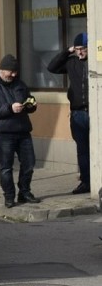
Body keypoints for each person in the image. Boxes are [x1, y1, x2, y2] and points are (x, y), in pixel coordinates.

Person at [0, 54, 40, 208]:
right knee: (6, 167)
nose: (13, 75)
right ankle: (9, 196)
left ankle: (24, 192)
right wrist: (10, 108)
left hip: (23, 130)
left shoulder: (19, 83)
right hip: (3, 133)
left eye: (15, 72)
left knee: (29, 164)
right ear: (1, 69)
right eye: (10, 72)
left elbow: (28, 99)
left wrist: (31, 104)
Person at [47, 32, 90, 194]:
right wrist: (67, 50)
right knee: (83, 149)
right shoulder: (71, 63)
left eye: (83, 49)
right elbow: (52, 67)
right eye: (77, 49)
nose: (80, 52)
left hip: (95, 112)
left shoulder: (95, 62)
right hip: (78, 113)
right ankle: (86, 182)